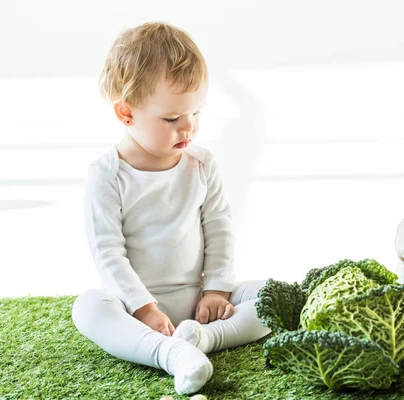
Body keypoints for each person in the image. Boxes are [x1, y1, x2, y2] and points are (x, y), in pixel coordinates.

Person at [71, 21, 271, 395]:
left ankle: (203, 340)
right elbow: (108, 253)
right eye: (172, 118)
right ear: (126, 113)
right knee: (89, 307)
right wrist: (143, 308)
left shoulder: (201, 164)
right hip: (137, 311)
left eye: (197, 113)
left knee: (272, 297)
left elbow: (220, 229)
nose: (189, 128)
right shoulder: (107, 175)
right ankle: (169, 353)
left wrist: (217, 290)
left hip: (201, 303)